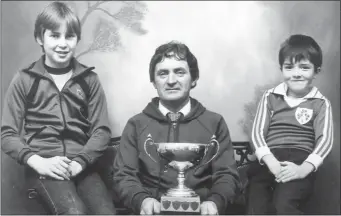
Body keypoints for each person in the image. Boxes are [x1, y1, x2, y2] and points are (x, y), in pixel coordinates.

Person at [1, 2, 116, 214]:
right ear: (39, 38)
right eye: (54, 36)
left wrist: (80, 163)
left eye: (69, 36)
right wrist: (37, 162)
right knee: (74, 212)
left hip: (82, 166)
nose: (63, 44)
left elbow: (102, 131)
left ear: (77, 39)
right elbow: (7, 134)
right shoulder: (24, 79)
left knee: (107, 213)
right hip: (44, 167)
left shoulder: (89, 80)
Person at [113, 41, 240, 215]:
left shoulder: (215, 122)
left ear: (194, 79)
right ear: (153, 81)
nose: (171, 81)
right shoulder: (136, 124)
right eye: (163, 73)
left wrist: (215, 202)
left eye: (179, 72)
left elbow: (226, 174)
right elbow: (124, 174)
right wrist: (142, 200)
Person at [246, 34, 334, 214]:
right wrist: (270, 161)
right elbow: (257, 133)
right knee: (256, 203)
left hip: (299, 162)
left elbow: (325, 140)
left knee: (284, 204)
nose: (296, 73)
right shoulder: (270, 96)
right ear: (281, 69)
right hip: (268, 160)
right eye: (289, 67)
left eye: (304, 68)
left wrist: (303, 170)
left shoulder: (320, 103)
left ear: (316, 71)